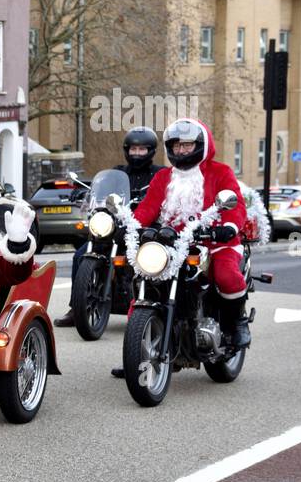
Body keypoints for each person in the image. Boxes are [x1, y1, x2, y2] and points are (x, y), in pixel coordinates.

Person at [110, 117, 249, 378]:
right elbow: (148, 208)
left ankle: (236, 324)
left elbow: (235, 204)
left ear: (201, 145)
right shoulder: (164, 176)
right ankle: (138, 353)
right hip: (173, 243)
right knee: (145, 280)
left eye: (187, 145)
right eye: (176, 145)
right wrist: (129, 226)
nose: (182, 150)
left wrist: (229, 227)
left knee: (226, 276)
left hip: (215, 242)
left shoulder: (220, 172)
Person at [54, 125, 165, 327]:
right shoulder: (117, 172)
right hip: (115, 228)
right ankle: (77, 306)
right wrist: (85, 193)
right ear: (126, 150)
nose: (137, 153)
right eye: (133, 149)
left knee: (150, 260)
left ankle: (151, 308)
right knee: (81, 255)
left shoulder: (160, 174)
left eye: (142, 149)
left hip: (142, 230)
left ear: (151, 151)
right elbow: (102, 190)